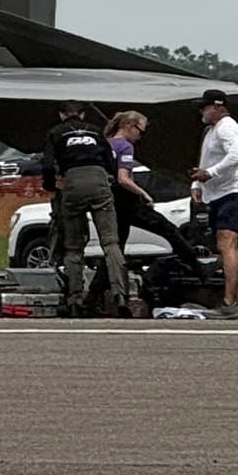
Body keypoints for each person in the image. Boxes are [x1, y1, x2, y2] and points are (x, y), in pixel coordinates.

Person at [43, 101, 130, 316]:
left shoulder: (55, 132)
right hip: (98, 179)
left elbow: (46, 165)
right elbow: (111, 161)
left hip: (72, 182)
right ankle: (120, 295)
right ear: (81, 115)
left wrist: (51, 186)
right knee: (110, 242)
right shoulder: (96, 131)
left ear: (62, 114)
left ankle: (74, 299)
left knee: (73, 247)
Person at [104, 111, 204, 269]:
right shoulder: (125, 146)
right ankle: (197, 266)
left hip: (111, 199)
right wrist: (144, 194)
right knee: (168, 229)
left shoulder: (106, 144)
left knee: (118, 243)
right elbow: (123, 178)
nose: (140, 136)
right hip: (128, 199)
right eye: (140, 131)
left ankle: (98, 287)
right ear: (129, 126)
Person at [189, 88, 238, 319]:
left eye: (204, 107)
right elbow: (206, 160)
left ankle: (229, 301)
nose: (201, 112)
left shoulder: (227, 127)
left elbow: (237, 156)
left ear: (217, 107)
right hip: (218, 194)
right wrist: (197, 185)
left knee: (226, 245)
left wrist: (210, 173)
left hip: (231, 193)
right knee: (230, 247)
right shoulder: (212, 130)